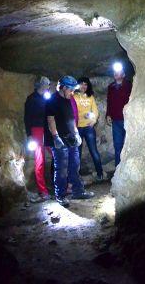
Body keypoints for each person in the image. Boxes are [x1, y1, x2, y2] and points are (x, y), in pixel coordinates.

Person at [45, 75, 95, 206]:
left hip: (70, 138)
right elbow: (51, 120)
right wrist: (55, 137)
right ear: (63, 88)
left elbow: (71, 119)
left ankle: (78, 191)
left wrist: (76, 133)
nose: (73, 93)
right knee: (61, 168)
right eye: (71, 90)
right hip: (58, 139)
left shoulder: (68, 99)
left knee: (75, 164)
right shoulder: (52, 100)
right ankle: (60, 195)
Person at [24, 76, 52, 202]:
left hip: (47, 129)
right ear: (41, 85)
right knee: (39, 160)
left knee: (56, 155)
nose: (48, 86)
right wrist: (29, 134)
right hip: (36, 130)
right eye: (47, 84)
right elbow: (27, 117)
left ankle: (57, 184)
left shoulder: (46, 98)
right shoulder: (31, 99)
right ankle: (43, 190)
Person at [74, 77, 104, 181]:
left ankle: (100, 173)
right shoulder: (74, 96)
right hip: (77, 128)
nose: (83, 86)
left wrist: (93, 120)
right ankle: (76, 177)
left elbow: (95, 111)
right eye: (81, 84)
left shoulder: (90, 97)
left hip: (88, 127)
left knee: (93, 150)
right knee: (77, 152)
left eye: (85, 84)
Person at [106, 64, 132, 167]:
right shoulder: (111, 87)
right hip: (116, 120)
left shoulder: (129, 85)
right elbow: (109, 102)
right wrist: (108, 115)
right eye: (116, 73)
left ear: (124, 74)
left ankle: (128, 168)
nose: (117, 74)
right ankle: (118, 169)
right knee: (118, 145)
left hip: (128, 119)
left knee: (129, 144)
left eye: (120, 72)